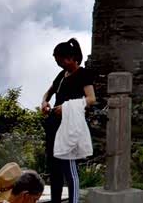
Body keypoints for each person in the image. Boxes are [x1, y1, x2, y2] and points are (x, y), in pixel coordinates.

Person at [39, 39, 95, 203]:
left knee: (69, 168)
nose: (58, 63)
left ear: (70, 58)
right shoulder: (61, 75)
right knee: (54, 167)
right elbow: (48, 93)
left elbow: (91, 99)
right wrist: (44, 103)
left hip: (69, 125)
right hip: (54, 125)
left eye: (59, 60)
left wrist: (66, 107)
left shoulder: (83, 74)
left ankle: (73, 201)